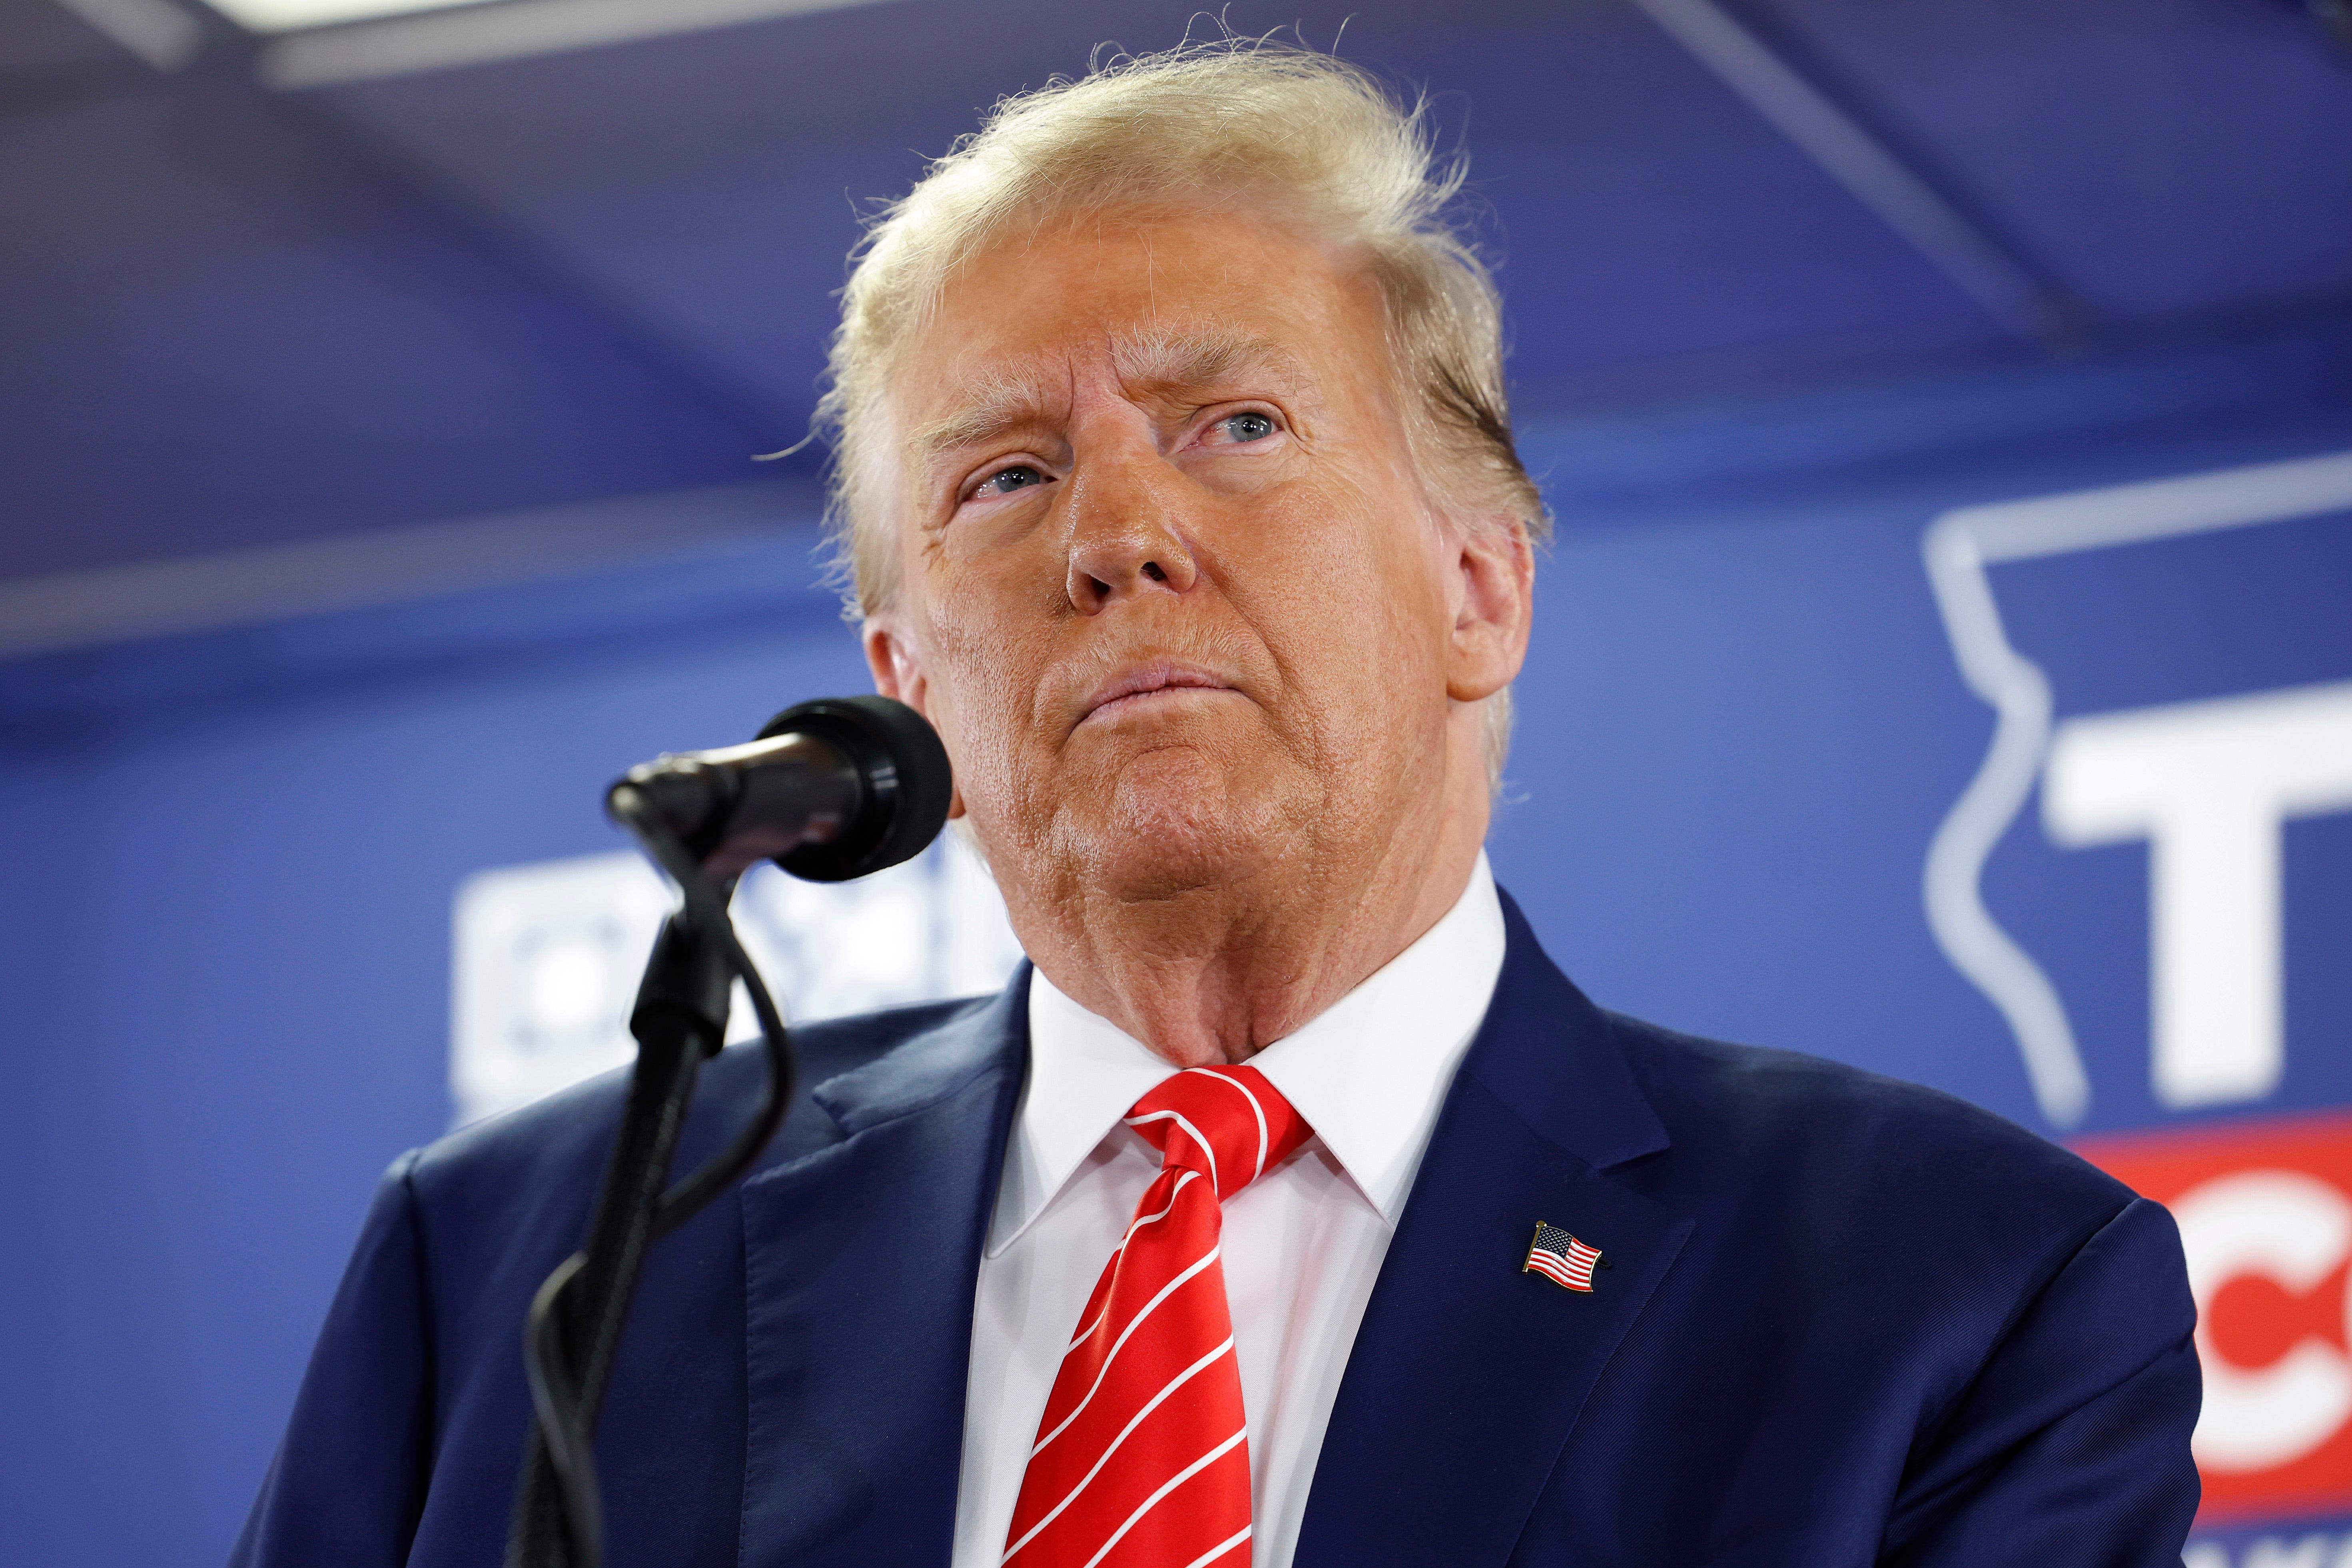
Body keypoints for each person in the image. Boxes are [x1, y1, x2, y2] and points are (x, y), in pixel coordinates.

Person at [232, 42, 2199, 1568]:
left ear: (1478, 584)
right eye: (1000, 479)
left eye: (1234, 427)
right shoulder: (523, 1269)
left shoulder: (1950, 1292)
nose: (1114, 535)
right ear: (908, 684)